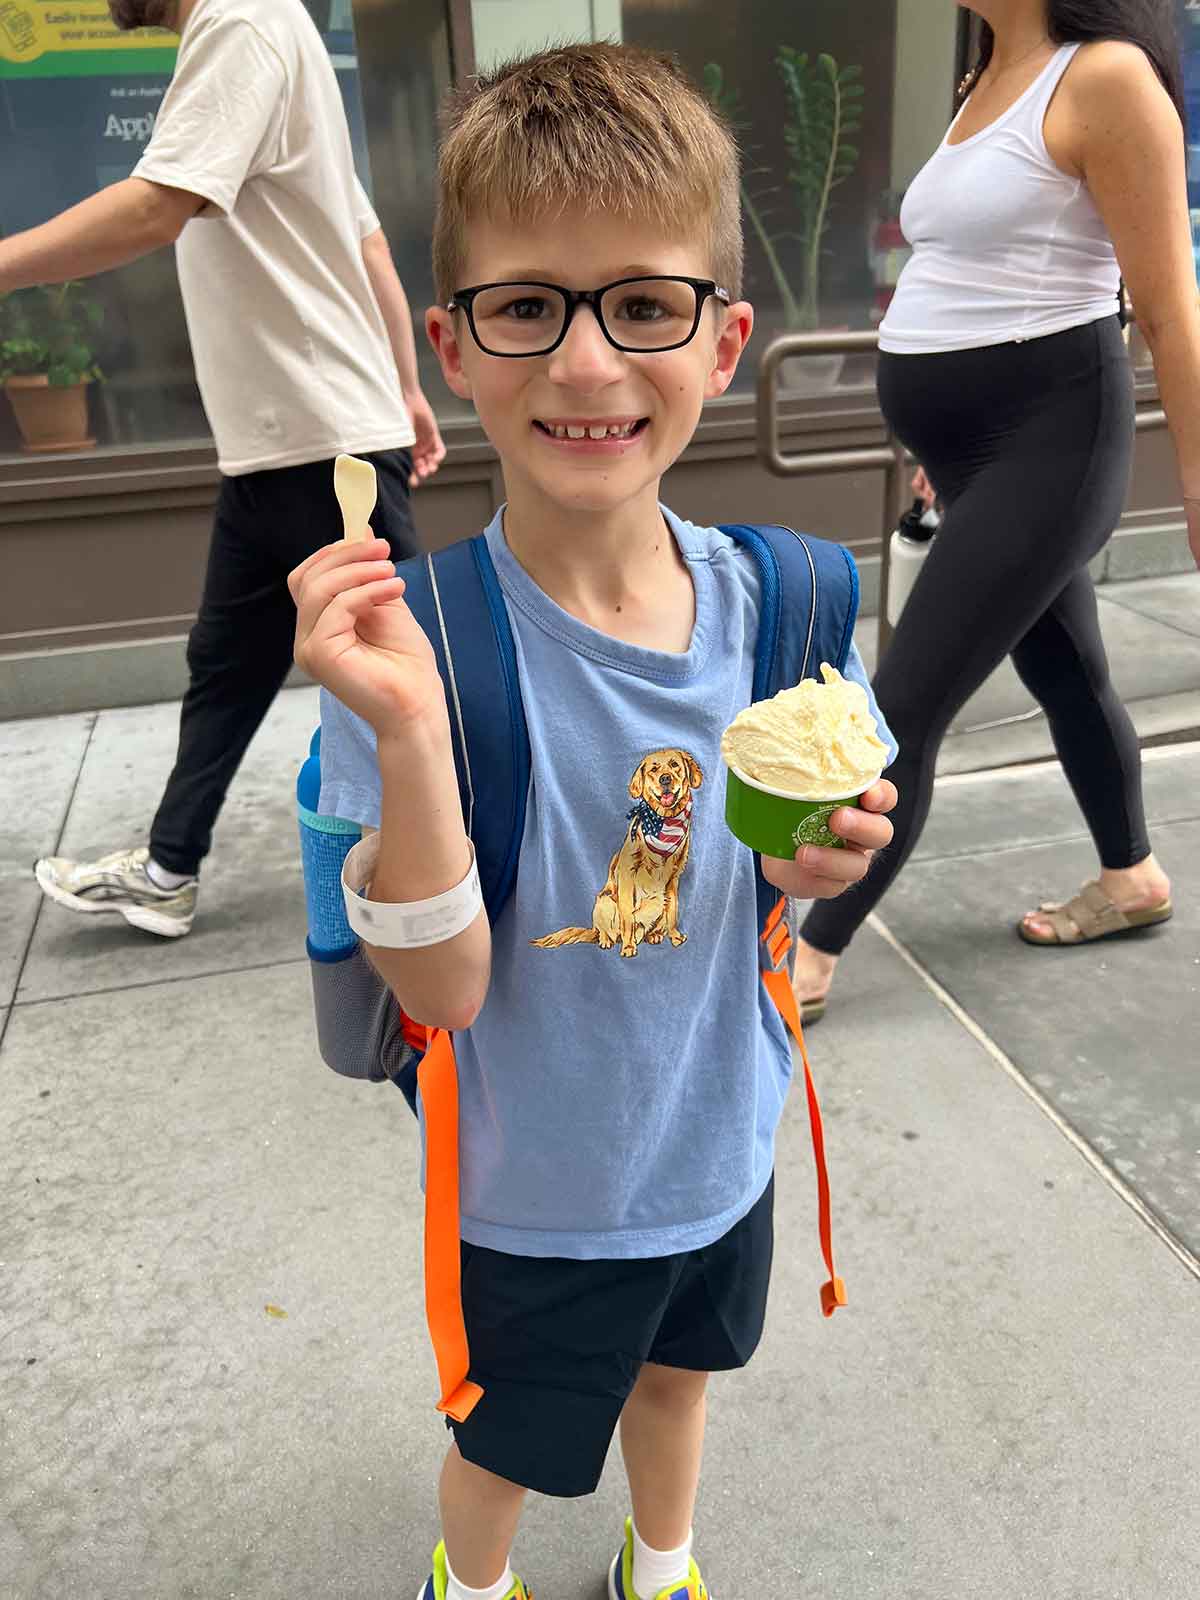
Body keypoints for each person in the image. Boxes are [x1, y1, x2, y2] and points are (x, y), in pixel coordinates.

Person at [291, 44, 898, 1600]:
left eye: (644, 303)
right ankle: (474, 1584)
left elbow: (795, 848)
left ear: (726, 336)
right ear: (452, 344)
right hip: (533, 1184)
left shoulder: (794, 601)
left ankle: (666, 1557)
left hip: (717, 1135)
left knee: (681, 1377)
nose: (584, 364)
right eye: (526, 306)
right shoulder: (409, 652)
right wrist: (414, 730)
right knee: (509, 1440)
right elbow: (442, 994)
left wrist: (826, 854)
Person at [791, 0, 1200, 1020]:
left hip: (1052, 443)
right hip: (976, 453)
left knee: (901, 708)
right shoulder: (987, 74)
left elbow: (1169, 308)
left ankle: (809, 950)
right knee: (1069, 672)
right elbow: (963, 274)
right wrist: (938, 442)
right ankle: (1132, 875)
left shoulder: (1103, 78)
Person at [12, 0, 445, 938]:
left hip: (315, 436)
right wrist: (406, 389)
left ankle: (492, 862)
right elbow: (362, 237)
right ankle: (169, 867)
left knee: (412, 672)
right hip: (283, 439)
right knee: (227, 661)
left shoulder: (242, 17)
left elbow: (158, 205)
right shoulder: (268, 28)